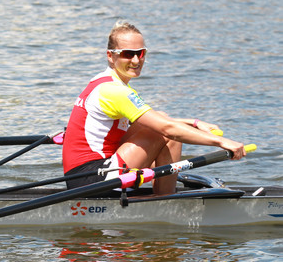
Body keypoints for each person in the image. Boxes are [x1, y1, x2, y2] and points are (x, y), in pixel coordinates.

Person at [62, 21, 246, 196]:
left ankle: (163, 194)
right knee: (166, 134)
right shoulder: (114, 91)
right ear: (111, 56)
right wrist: (221, 142)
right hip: (91, 179)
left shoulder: (104, 82)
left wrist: (194, 123)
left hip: (86, 175)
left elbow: (155, 121)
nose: (136, 60)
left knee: (161, 119)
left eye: (141, 53)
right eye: (128, 53)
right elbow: (167, 128)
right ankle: (165, 199)